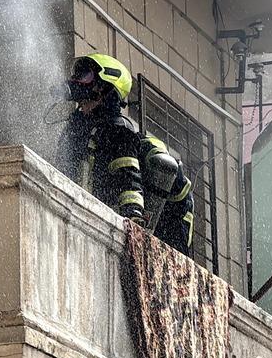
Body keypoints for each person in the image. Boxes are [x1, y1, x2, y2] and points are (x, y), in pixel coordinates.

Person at [57, 53, 146, 225]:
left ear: (105, 89)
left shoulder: (118, 131)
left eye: (86, 76)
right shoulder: (76, 131)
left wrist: (132, 214)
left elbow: (128, 178)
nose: (79, 83)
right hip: (76, 219)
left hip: (102, 223)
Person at [139, 134, 195, 256]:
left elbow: (167, 166)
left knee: (170, 257)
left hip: (175, 215)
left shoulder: (145, 147)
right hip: (169, 211)